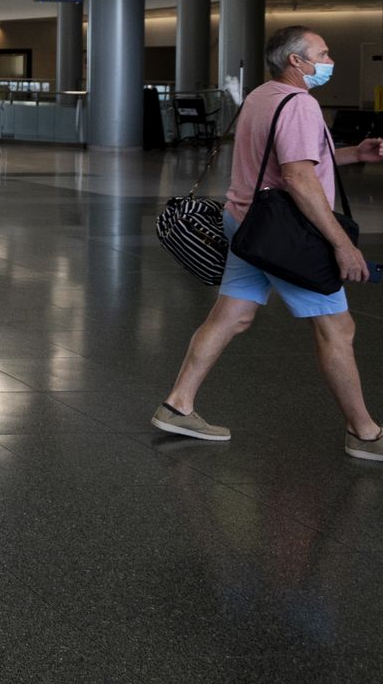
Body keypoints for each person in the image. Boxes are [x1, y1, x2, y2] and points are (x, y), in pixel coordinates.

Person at [153, 27, 383, 459]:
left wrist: (355, 153)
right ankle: (365, 433)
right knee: (337, 327)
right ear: (296, 61)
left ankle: (178, 405)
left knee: (231, 317)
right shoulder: (301, 104)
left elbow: (295, 156)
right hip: (287, 235)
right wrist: (341, 244)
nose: (328, 60)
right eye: (323, 53)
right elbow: (297, 176)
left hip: (247, 224)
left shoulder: (262, 96)